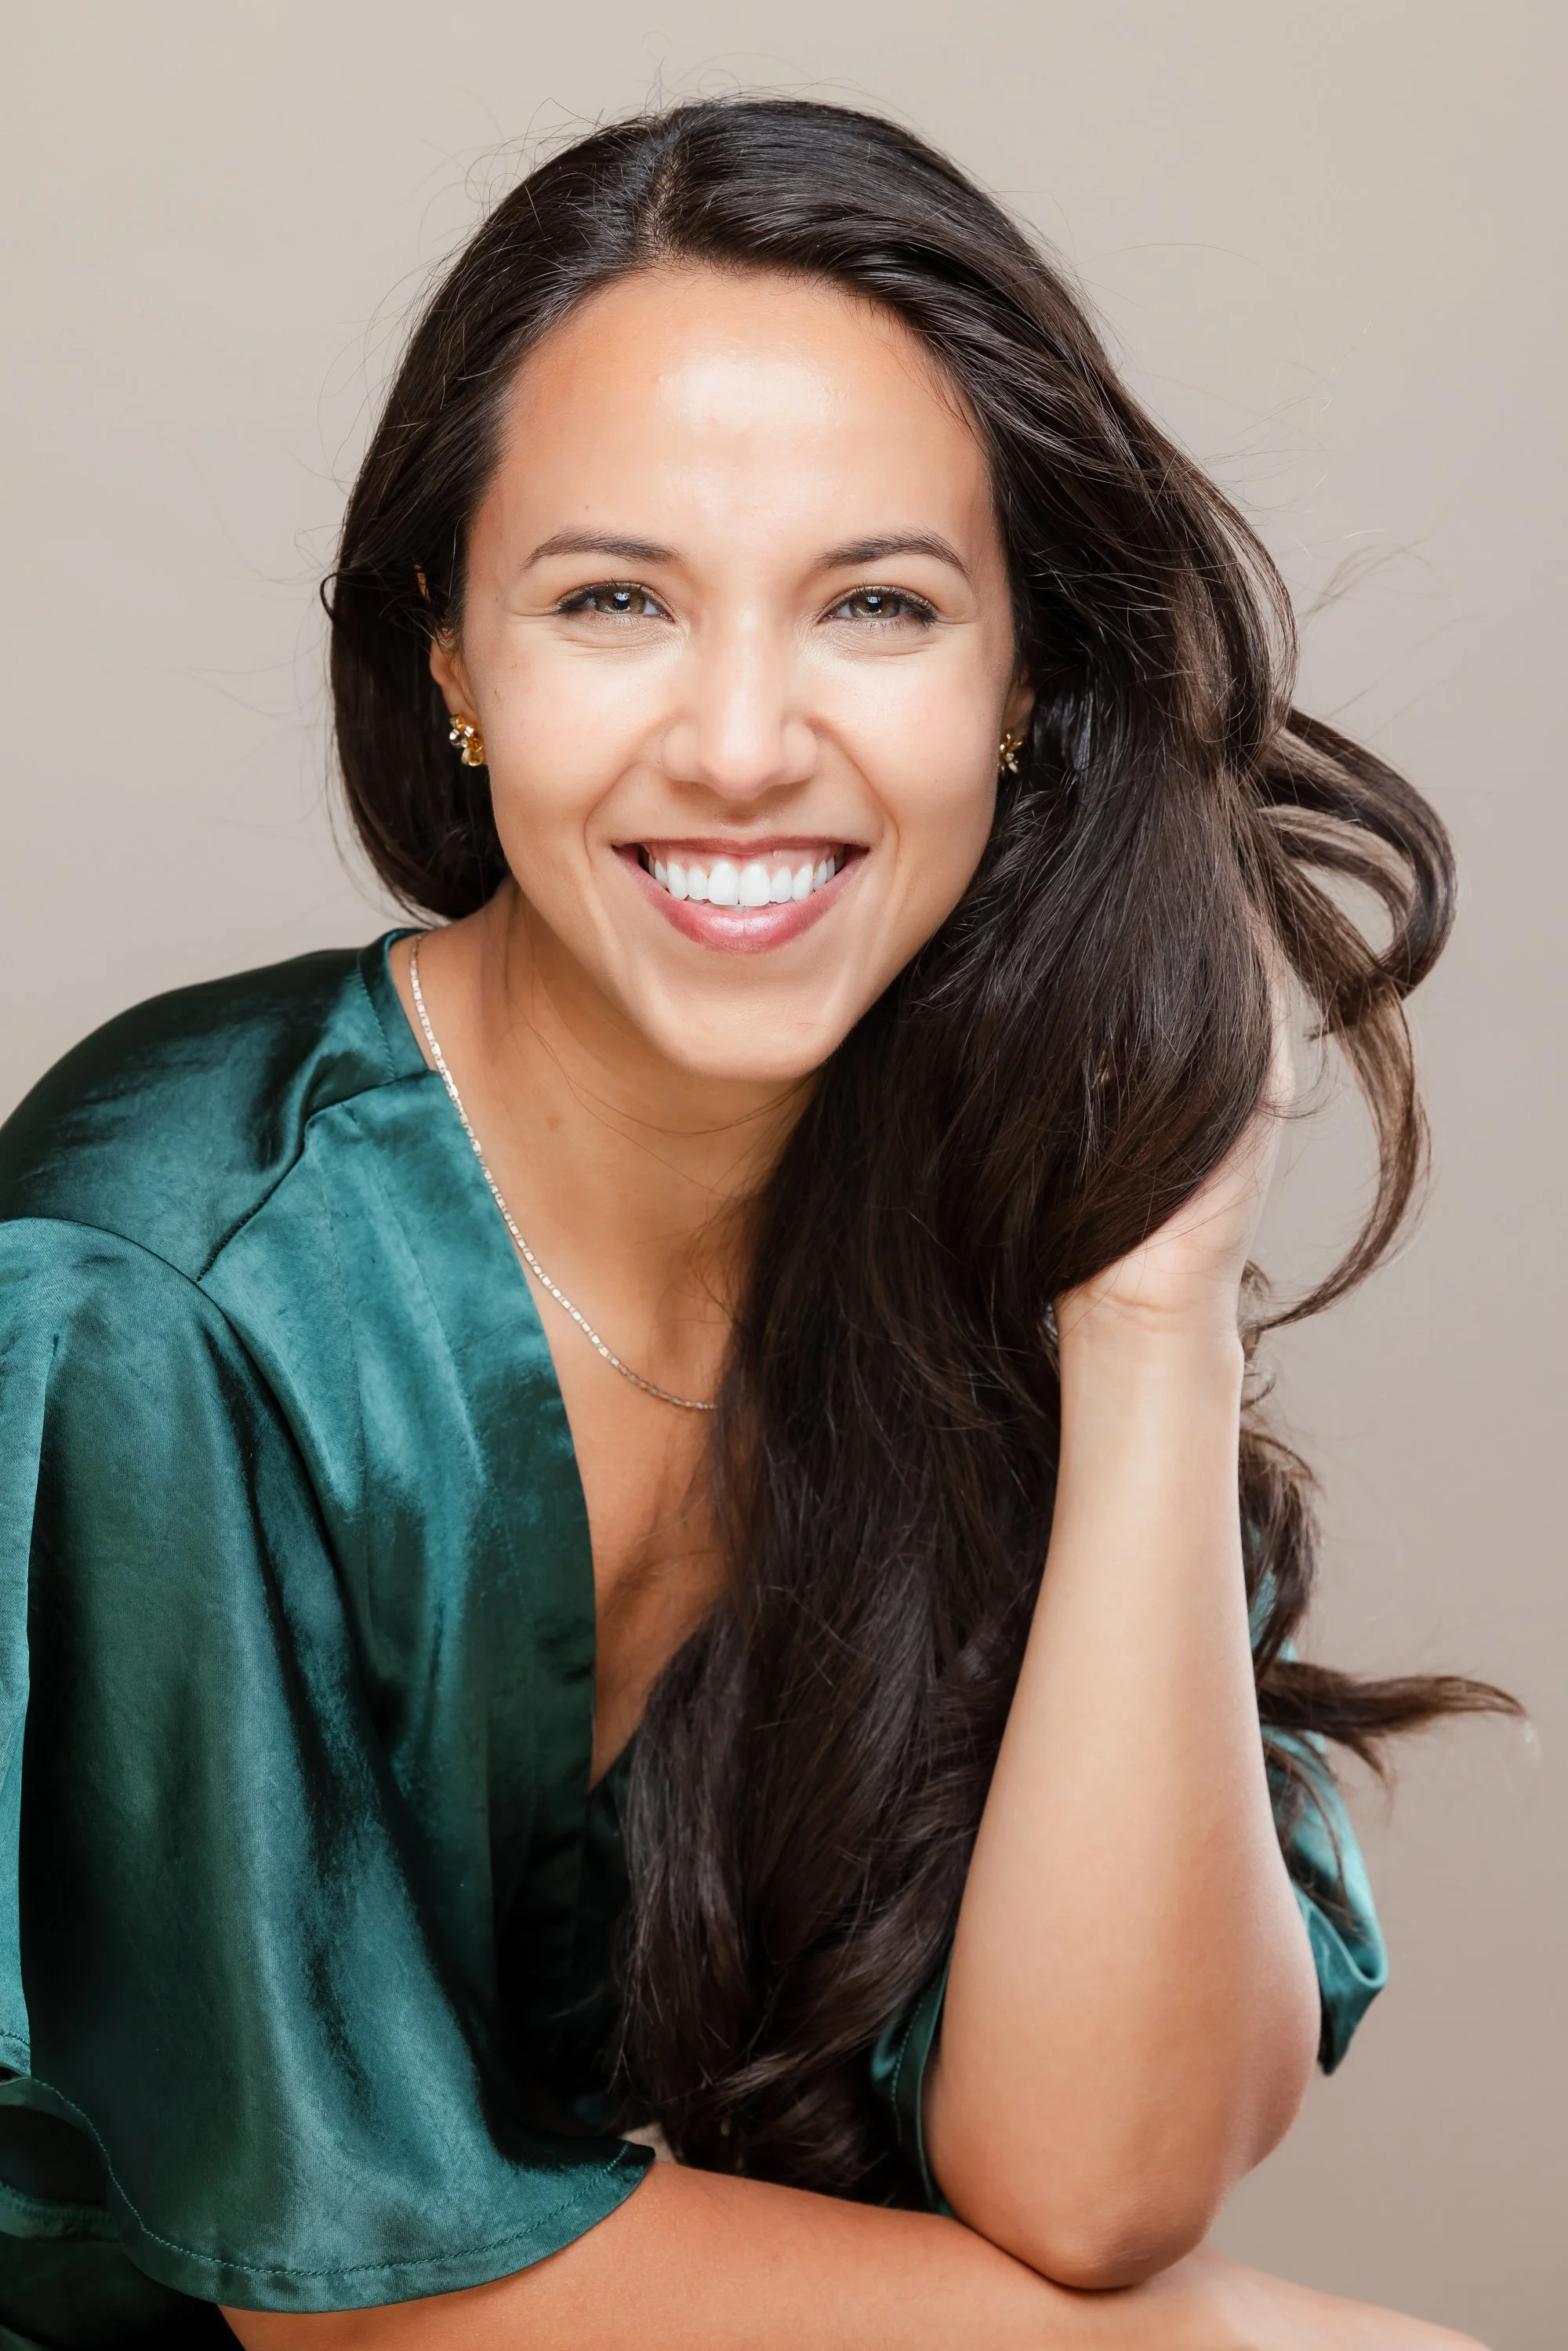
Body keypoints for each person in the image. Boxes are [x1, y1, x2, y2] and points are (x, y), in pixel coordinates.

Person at [0, 98, 1511, 2351]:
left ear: (1025, 694)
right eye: (614, 598)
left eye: (879, 606)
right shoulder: (157, 1282)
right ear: (450, 660)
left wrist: (1158, 1311)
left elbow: (1095, 2182)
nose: (736, 740)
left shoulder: (979, 1223)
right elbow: (363, 2304)